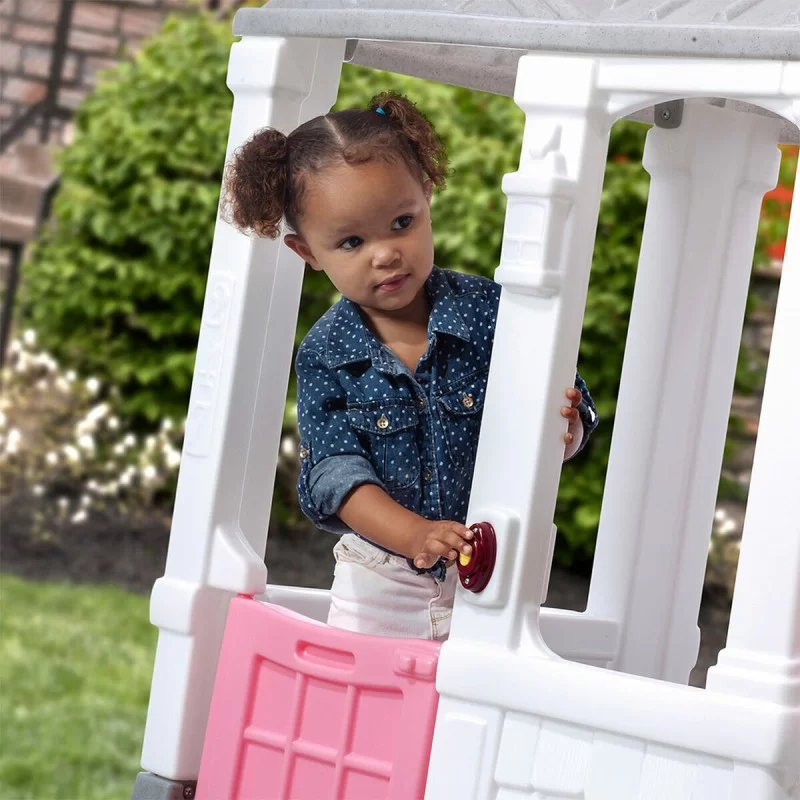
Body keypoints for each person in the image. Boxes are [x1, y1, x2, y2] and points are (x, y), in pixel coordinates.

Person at [223, 91, 599, 640]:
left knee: (475, 706)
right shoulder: (328, 353)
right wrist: (411, 534)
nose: (385, 253)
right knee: (375, 703)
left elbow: (561, 397)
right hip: (382, 579)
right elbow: (334, 475)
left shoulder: (491, 312)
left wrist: (566, 426)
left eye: (402, 222)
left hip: (495, 572)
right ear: (309, 254)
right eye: (351, 241)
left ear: (426, 197)